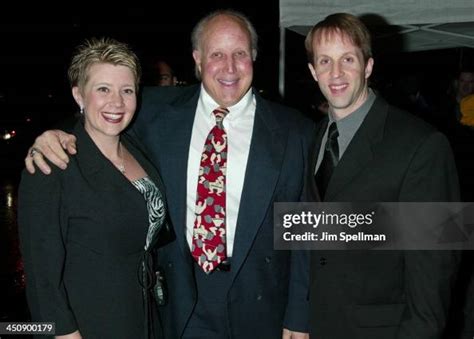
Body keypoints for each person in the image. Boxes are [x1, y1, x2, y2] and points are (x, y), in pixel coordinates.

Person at [24, 10, 313, 339]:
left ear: (254, 58)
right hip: (174, 306)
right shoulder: (157, 113)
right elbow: (102, 118)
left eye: (240, 54)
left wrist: (299, 316)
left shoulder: (295, 132)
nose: (229, 67)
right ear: (198, 59)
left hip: (261, 307)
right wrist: (54, 136)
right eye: (216, 54)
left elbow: (303, 235)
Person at [303, 13, 460, 338]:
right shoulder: (313, 137)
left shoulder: (423, 144)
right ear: (312, 71)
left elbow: (435, 269)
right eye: (325, 61)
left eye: (348, 59)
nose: (336, 73)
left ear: (368, 66)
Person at [18, 38, 169, 339]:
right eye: (103, 89)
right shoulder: (52, 166)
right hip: (89, 325)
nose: (117, 102)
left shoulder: (137, 147)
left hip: (146, 317)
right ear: (79, 95)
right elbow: (40, 275)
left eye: (127, 90)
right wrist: (62, 332)